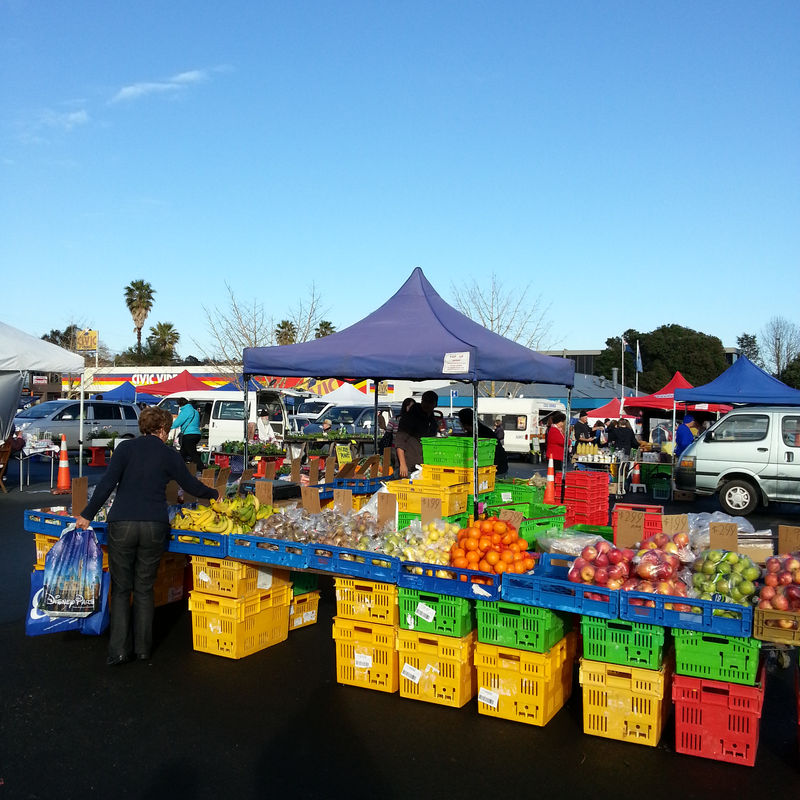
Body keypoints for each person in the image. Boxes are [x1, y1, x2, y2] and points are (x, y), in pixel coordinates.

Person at [75, 406, 219, 665]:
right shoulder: (169, 454)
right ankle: (143, 650)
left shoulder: (125, 450)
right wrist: (214, 494)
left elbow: (107, 484)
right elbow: (190, 485)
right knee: (144, 587)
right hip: (154, 524)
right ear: (163, 429)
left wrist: (86, 514)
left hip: (122, 523)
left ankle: (118, 650)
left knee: (121, 589)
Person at [457, 408, 508, 476]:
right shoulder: (475, 431)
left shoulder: (482, 433)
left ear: (465, 423)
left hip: (495, 470)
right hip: (492, 468)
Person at [171, 397, 203, 474]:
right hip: (197, 434)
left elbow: (177, 423)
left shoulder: (185, 411)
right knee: (183, 452)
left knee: (192, 453)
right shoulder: (195, 411)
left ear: (180, 405)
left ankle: (203, 469)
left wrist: (168, 426)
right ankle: (178, 469)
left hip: (189, 435)